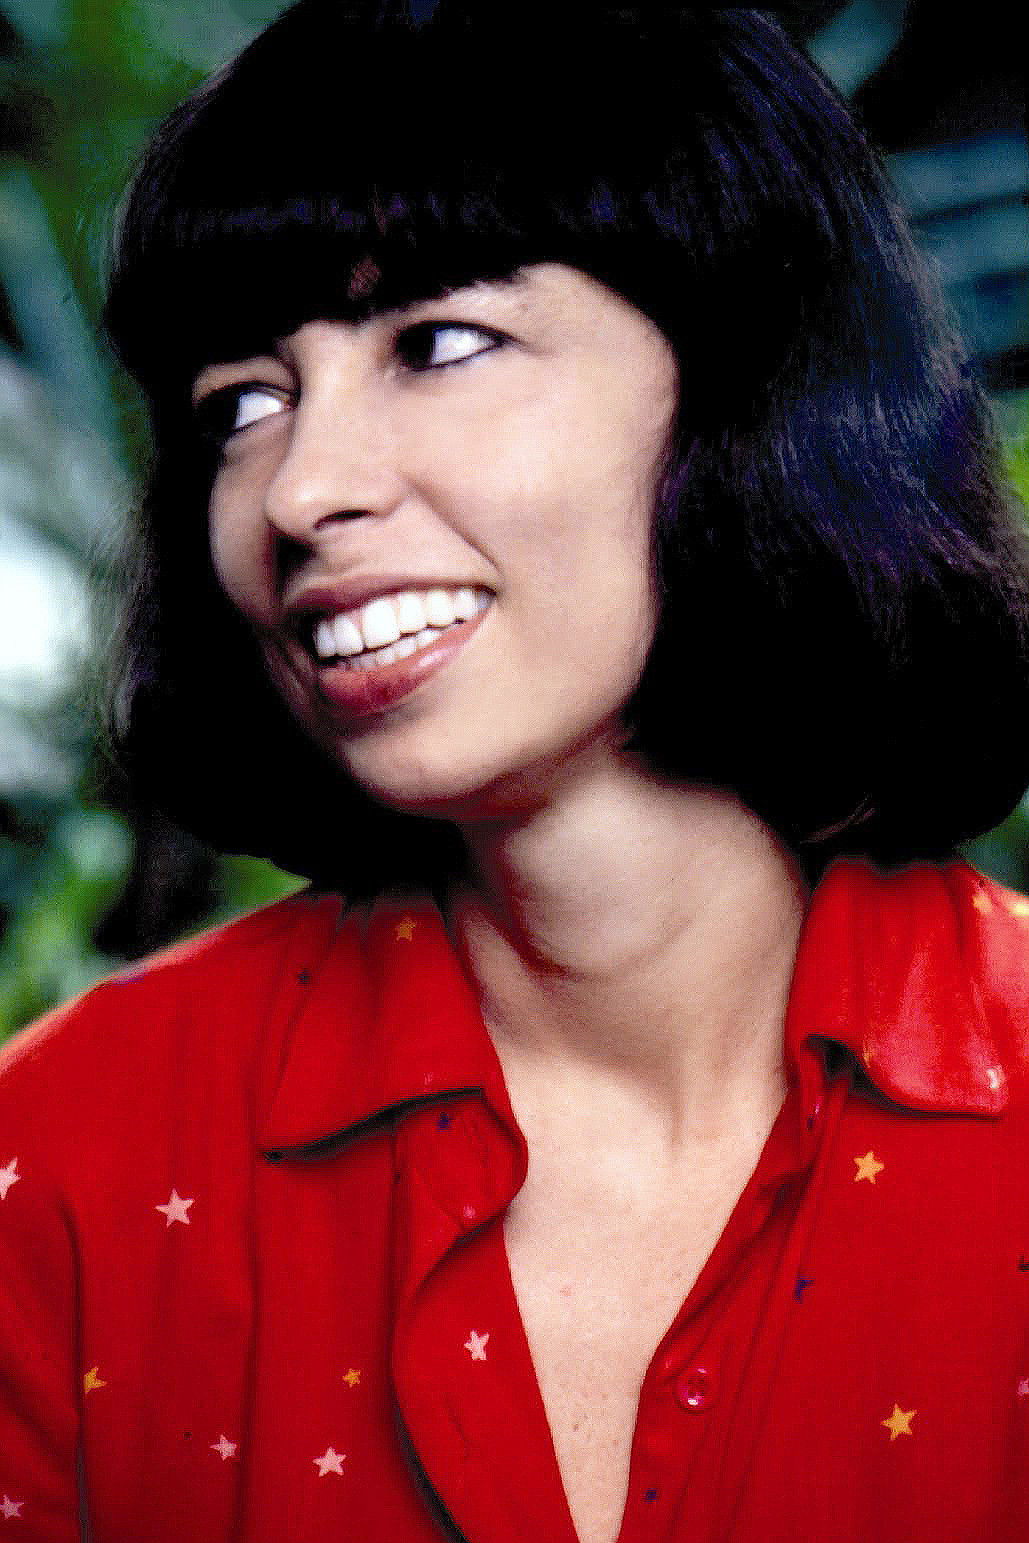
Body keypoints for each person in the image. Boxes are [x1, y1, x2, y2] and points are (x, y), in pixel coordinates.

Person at [3, 2, 1029, 1539]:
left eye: (437, 345)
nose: (301, 490)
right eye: (244, 405)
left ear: (748, 379)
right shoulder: (67, 1161)